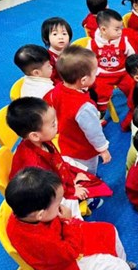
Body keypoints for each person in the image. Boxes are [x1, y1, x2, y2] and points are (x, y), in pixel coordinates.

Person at [5, 168, 134, 270]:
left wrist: (65, 221)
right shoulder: (43, 241)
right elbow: (70, 252)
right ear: (40, 215)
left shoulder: (23, 214)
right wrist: (69, 221)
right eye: (58, 204)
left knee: (109, 230)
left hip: (63, 242)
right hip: (64, 266)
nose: (61, 205)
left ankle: (119, 263)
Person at [7, 97, 112, 214]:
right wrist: (71, 191)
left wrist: (71, 178)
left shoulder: (38, 140)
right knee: (82, 193)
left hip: (54, 174)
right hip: (41, 194)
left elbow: (55, 163)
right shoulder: (34, 164)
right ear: (35, 135)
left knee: (86, 176)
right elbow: (48, 188)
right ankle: (85, 202)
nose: (57, 124)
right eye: (52, 124)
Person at [44, 45, 110, 175]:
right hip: (83, 149)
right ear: (84, 80)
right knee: (88, 172)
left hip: (67, 140)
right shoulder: (84, 107)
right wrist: (103, 149)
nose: (97, 74)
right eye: (95, 72)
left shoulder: (58, 88)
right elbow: (94, 132)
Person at [87, 9, 138, 121]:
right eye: (117, 29)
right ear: (103, 30)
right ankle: (101, 111)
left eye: (121, 28)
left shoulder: (123, 40)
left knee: (133, 85)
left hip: (123, 72)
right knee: (99, 89)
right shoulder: (92, 44)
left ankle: (137, 105)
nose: (120, 32)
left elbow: (131, 55)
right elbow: (87, 60)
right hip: (103, 74)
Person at [41, 17, 73, 85]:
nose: (61, 37)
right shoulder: (48, 59)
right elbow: (53, 80)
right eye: (55, 34)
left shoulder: (72, 51)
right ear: (46, 39)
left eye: (64, 34)